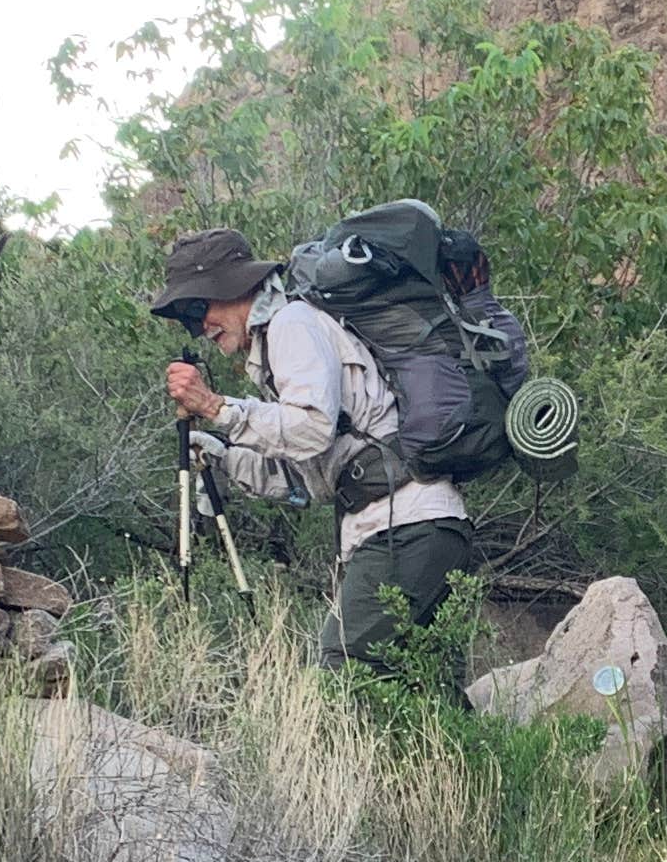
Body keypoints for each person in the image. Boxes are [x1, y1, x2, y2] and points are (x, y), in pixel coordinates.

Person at [152, 225, 477, 668]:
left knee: (344, 665)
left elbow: (311, 428)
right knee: (423, 687)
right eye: (187, 317)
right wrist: (225, 458)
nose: (197, 327)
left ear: (233, 287)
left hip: (404, 524)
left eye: (197, 307)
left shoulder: (292, 324)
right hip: (421, 527)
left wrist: (216, 407)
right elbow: (303, 477)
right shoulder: (277, 345)